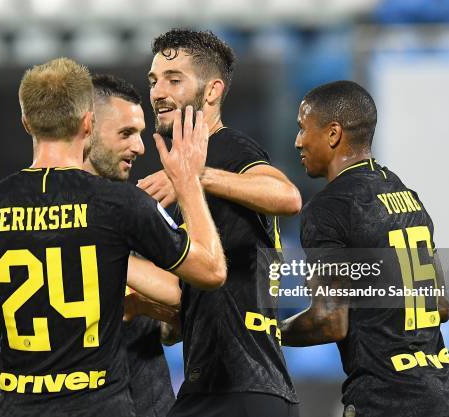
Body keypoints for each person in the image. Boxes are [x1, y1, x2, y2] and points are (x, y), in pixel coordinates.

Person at [0, 57, 227, 417]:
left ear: (26, 122)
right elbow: (211, 272)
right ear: (88, 123)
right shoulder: (118, 203)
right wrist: (187, 183)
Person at [136, 29, 301, 417]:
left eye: (174, 80)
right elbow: (183, 313)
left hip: (235, 387)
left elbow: (288, 197)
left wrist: (195, 176)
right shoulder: (190, 173)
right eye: (154, 80)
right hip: (228, 385)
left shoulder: (226, 148)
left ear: (211, 92)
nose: (158, 91)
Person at [280, 80, 449, 417]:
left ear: (333, 134)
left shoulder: (328, 209)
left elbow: (329, 321)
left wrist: (268, 334)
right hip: (444, 395)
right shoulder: (407, 197)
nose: (297, 142)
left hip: (385, 399)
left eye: (302, 129)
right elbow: (439, 306)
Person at [82, 73, 175, 417]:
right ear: (86, 129)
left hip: (148, 401)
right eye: (126, 133)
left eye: (139, 133)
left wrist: (145, 309)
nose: (140, 147)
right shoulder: (133, 209)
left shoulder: (142, 206)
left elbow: (186, 305)